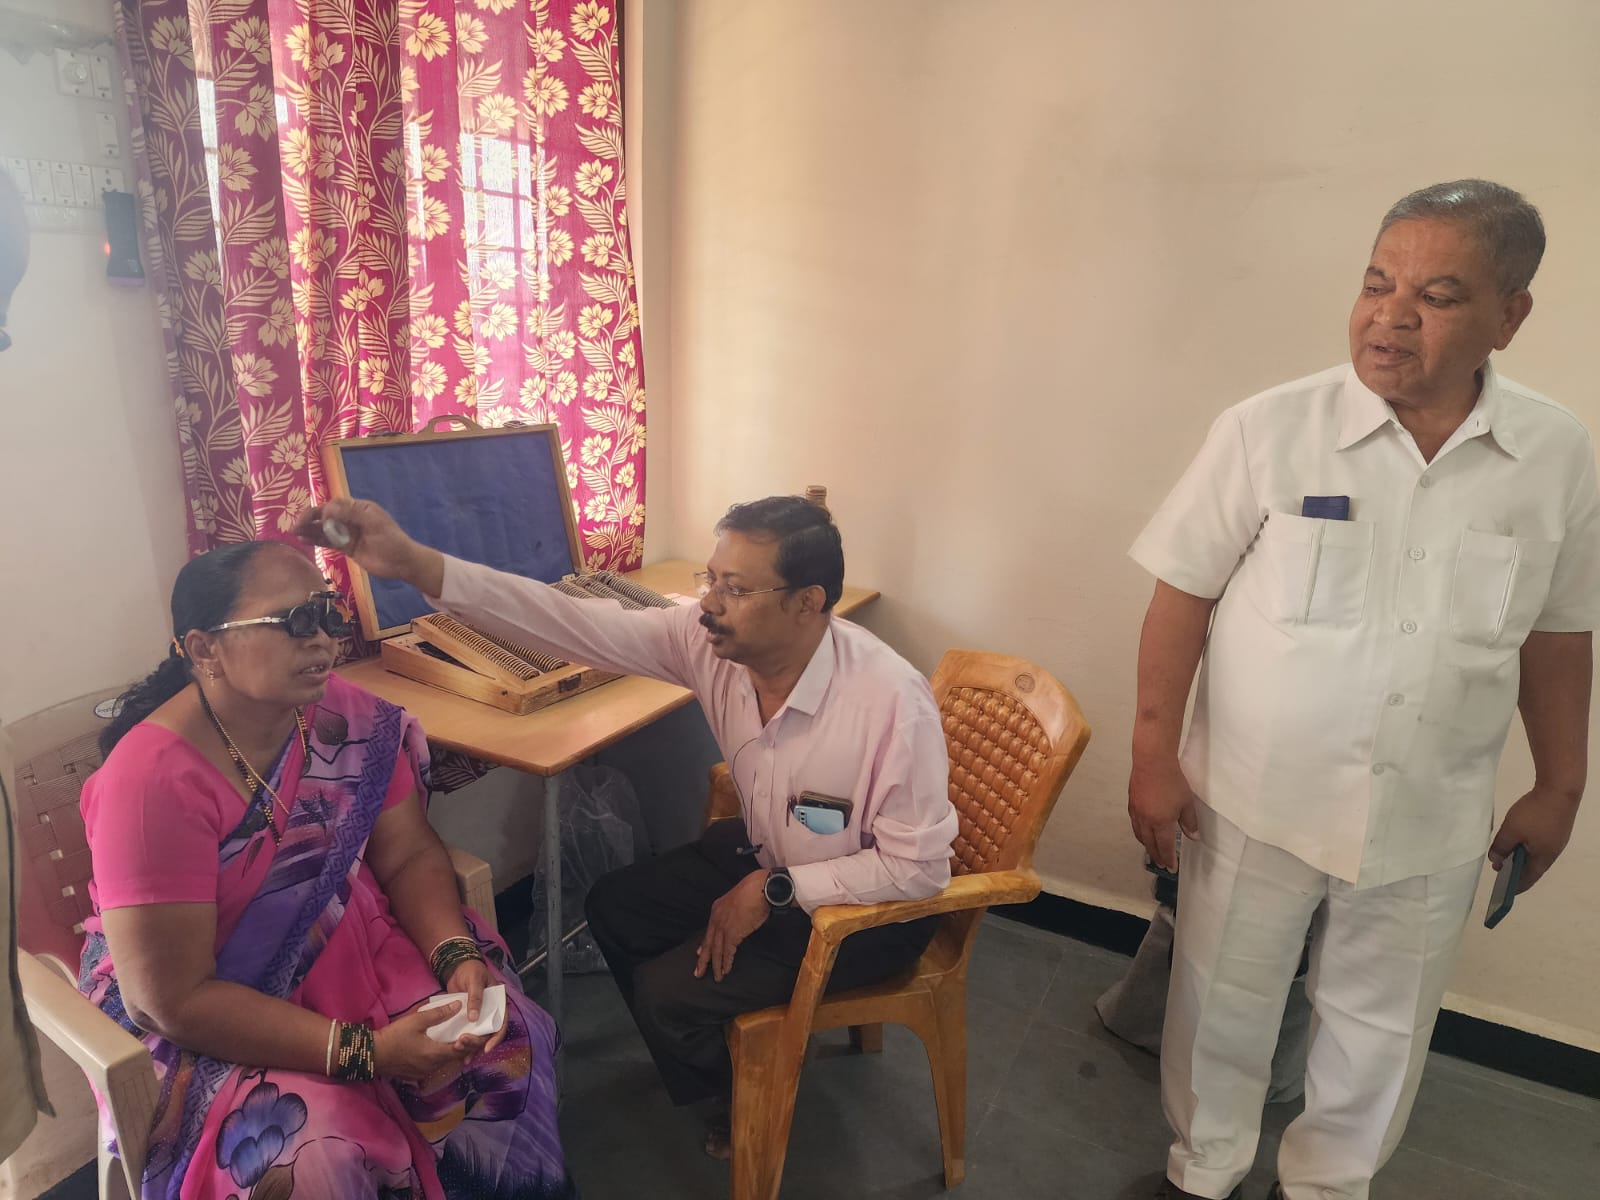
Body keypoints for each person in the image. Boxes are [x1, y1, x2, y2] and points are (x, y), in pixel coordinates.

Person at [1128, 179, 1600, 1200]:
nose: (1389, 315)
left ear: (1508, 316)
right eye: (1375, 282)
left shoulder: (1556, 456)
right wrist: (1152, 758)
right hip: (1256, 796)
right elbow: (1181, 596)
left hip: (1429, 811)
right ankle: (1203, 1169)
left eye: (1434, 295)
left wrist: (1560, 785)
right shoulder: (1270, 429)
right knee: (1222, 1002)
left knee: (1381, 1031)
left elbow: (1559, 633)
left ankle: (1329, 1187)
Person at [299, 494, 959, 1158]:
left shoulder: (889, 701)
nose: (709, 604)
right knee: (614, 906)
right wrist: (415, 564)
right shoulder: (709, 644)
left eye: (735, 589)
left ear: (808, 602)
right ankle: (722, 1064)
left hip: (869, 908)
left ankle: (746, 1099)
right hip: (770, 858)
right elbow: (564, 621)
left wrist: (778, 889)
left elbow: (918, 870)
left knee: (665, 995)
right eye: (710, 579)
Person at [78, 540, 575, 1199]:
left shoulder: (343, 715)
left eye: (329, 615)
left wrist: (453, 952)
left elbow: (407, 852)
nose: (323, 641)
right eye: (293, 623)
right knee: (316, 1149)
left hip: (348, 947)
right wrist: (367, 1052)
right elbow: (171, 999)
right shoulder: (148, 782)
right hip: (208, 1014)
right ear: (204, 650)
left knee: (502, 1039)